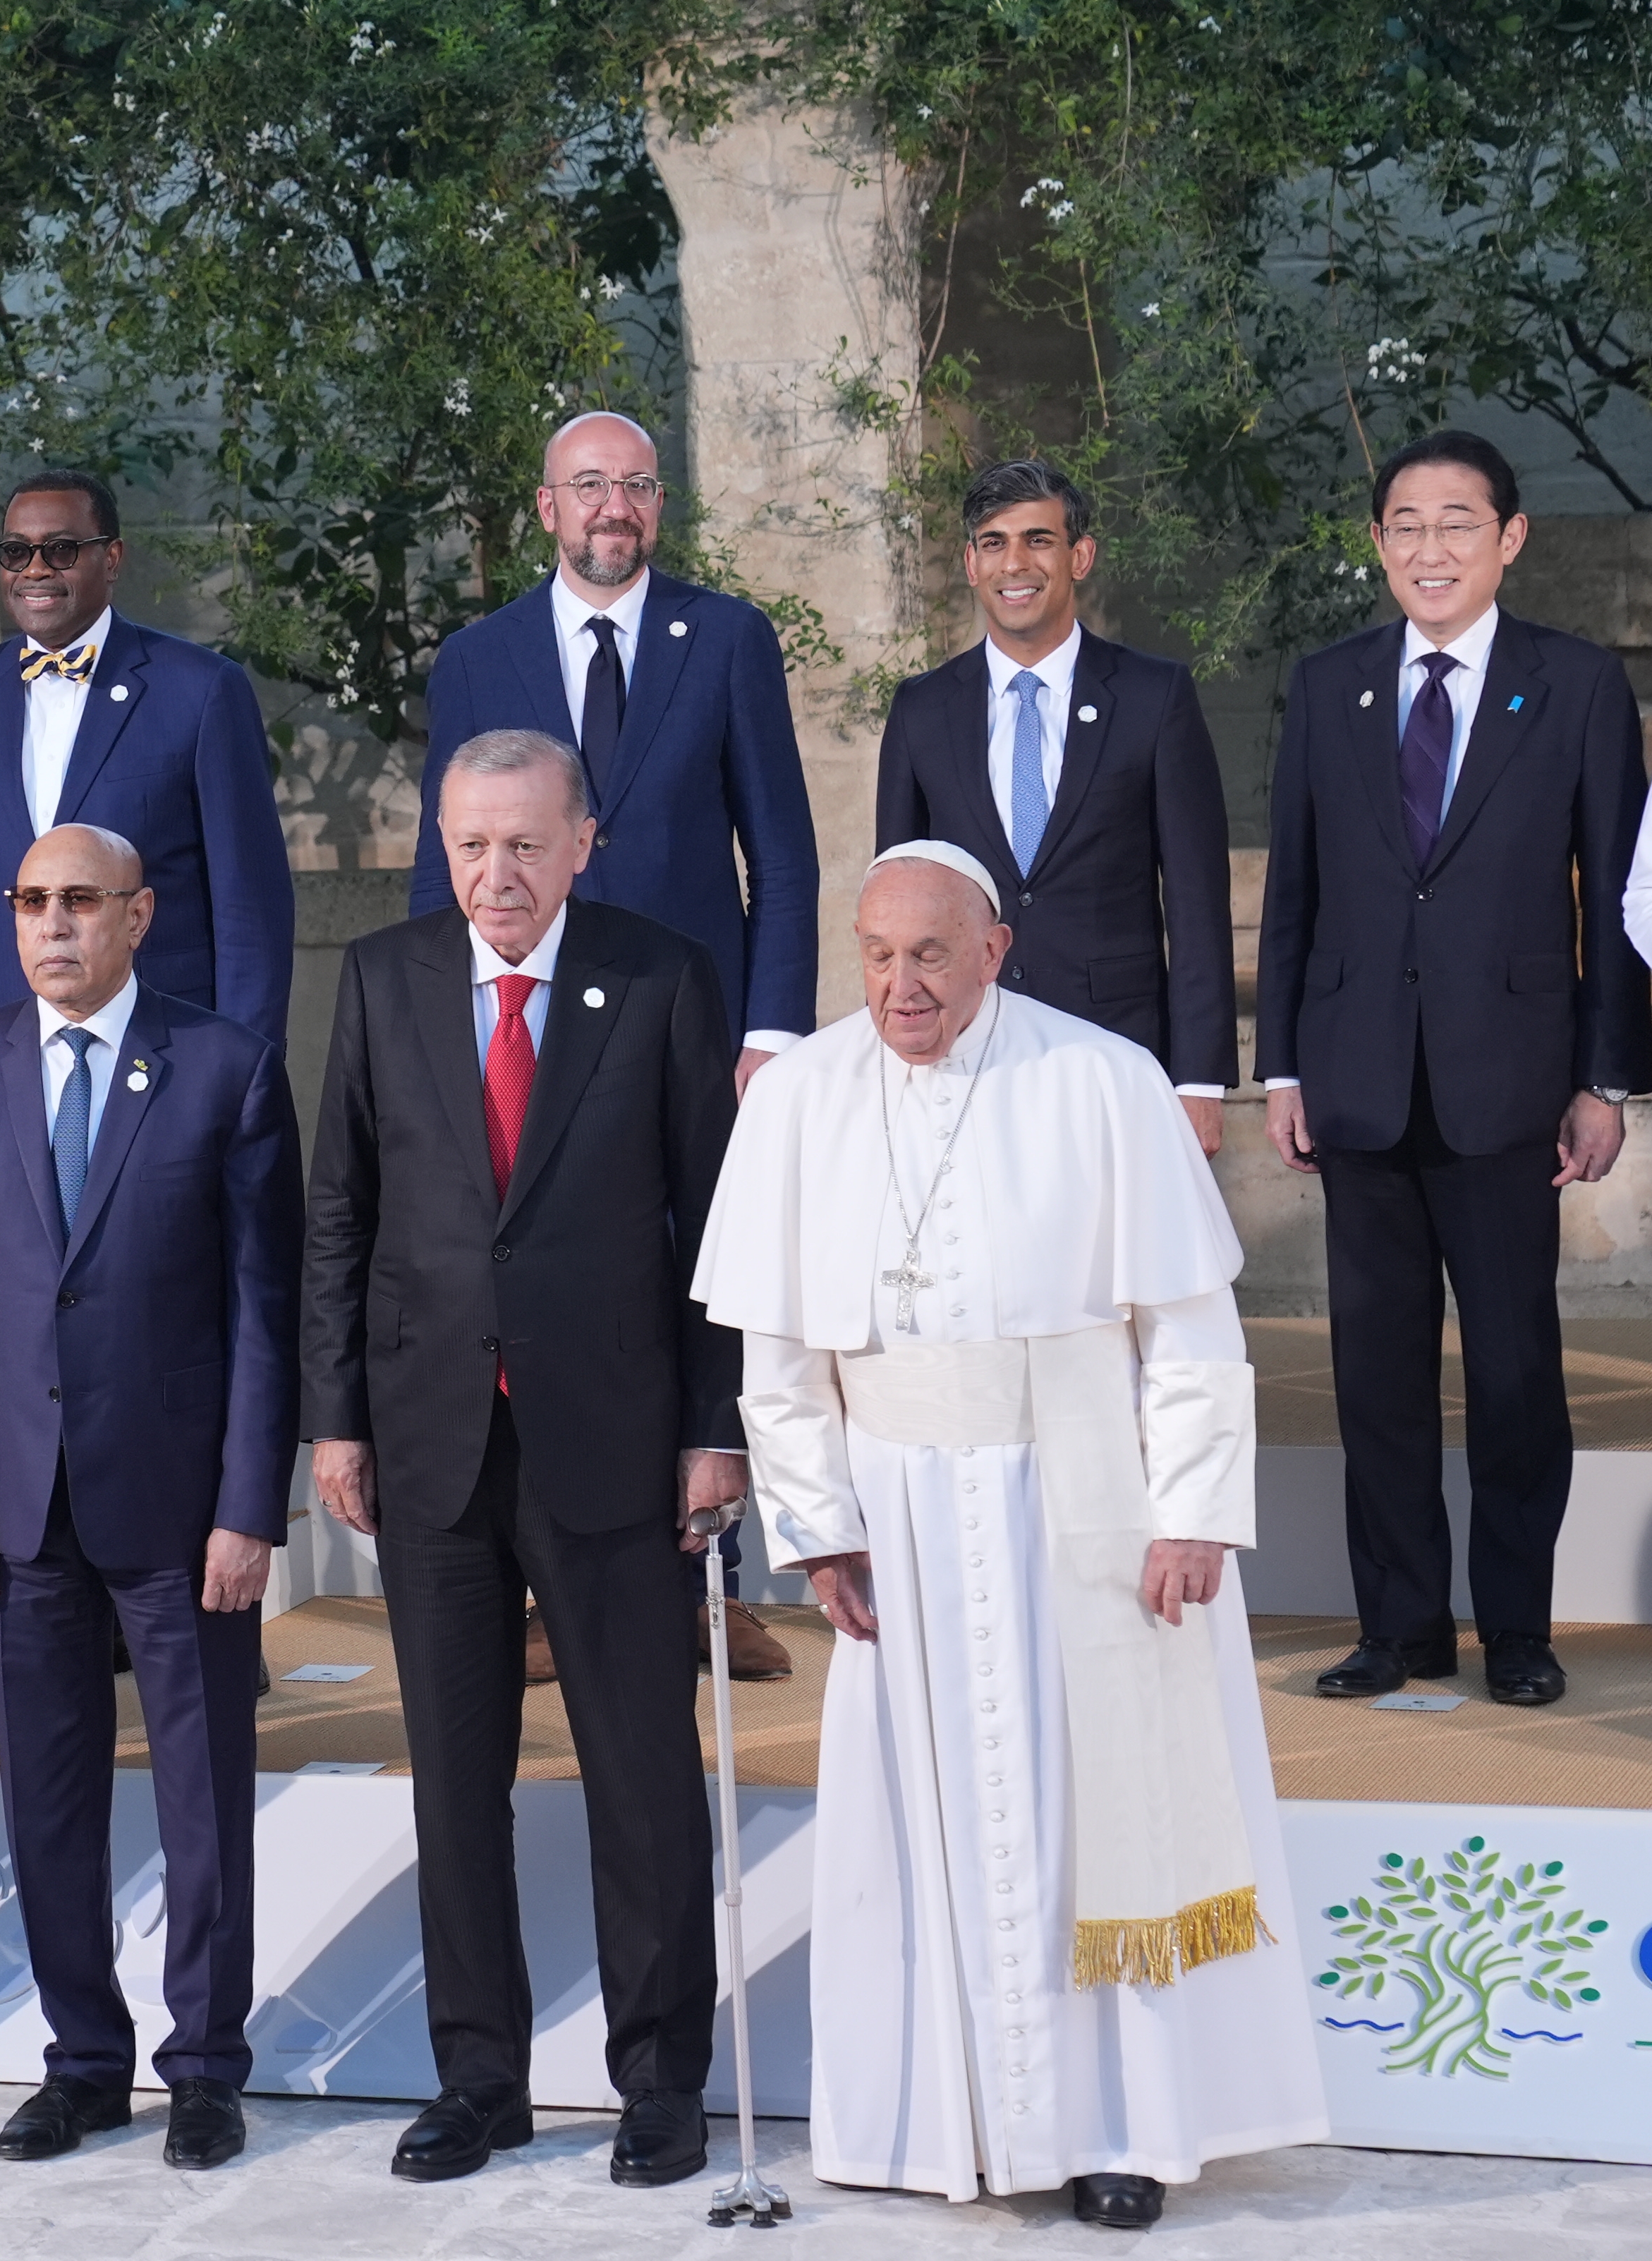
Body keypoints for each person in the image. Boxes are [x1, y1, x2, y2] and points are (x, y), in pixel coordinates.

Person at [694, 842, 1326, 2228]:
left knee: (1084, 1815)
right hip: (900, 1514)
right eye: (875, 955)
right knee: (921, 1831)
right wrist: (818, 1529)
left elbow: (1189, 1326)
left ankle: (1117, 2129)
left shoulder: (1098, 1079)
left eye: (929, 954)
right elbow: (780, 1353)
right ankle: (933, 2121)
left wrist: (1197, 1511)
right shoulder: (801, 1093)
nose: (899, 985)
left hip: (1079, 1503)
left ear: (996, 949)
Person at [304, 729, 740, 2188]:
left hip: (614, 1443)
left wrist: (711, 1425)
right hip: (431, 1441)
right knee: (455, 1779)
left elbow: (711, 1235)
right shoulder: (382, 982)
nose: (496, 873)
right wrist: (338, 1415)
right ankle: (476, 2075)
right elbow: (341, 1220)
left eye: (524, 844)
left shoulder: (664, 981)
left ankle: (661, 2082)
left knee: (641, 1774)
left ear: (582, 844)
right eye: (470, 843)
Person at [0, 824, 303, 2172]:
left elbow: (264, 1312)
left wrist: (252, 1504)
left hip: (185, 1511)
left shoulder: (224, 1067)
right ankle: (83, 2062)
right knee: (49, 1800)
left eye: (80, 901)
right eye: (31, 902)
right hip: (17, 1508)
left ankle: (204, 2067)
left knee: (203, 1800)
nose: (52, 925)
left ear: (139, 915)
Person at [409, 411, 817, 1680]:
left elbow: (785, 853)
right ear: (547, 508)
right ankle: (545, 1593)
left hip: (693, 1029)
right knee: (547, 1287)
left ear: (658, 505)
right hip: (528, 1035)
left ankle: (716, 1585)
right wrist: (445, 1036)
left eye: (635, 487)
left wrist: (771, 1030)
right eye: (589, 486)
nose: (613, 509)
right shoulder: (478, 657)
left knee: (706, 1284)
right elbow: (450, 862)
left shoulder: (730, 640)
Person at [1258, 428, 1651, 1707]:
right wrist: (1282, 1072)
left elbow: (1619, 898)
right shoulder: (1329, 687)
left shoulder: (1580, 685)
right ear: (1378, 544)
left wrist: (1606, 1079)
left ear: (1511, 538)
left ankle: (1520, 1632)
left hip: (1513, 1088)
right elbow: (1299, 890)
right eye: (1406, 526)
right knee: (1375, 1377)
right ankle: (1403, 1630)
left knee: (1517, 1375)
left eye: (1457, 524)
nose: (1431, 548)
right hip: (1360, 1084)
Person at [875, 457, 1236, 1151]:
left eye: (1038, 540)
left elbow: (1195, 905)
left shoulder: (1154, 698)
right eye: (993, 542)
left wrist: (1198, 1083)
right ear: (970, 564)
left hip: (1117, 1057)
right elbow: (896, 904)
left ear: (1079, 556)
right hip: (963, 1053)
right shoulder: (921, 710)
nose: (1016, 562)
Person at [0, 468, 293, 1048]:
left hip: (167, 1036)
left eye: (61, 550)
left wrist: (244, 1069)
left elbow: (249, 906)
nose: (35, 569)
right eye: (16, 552)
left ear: (111, 559)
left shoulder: (201, 689)